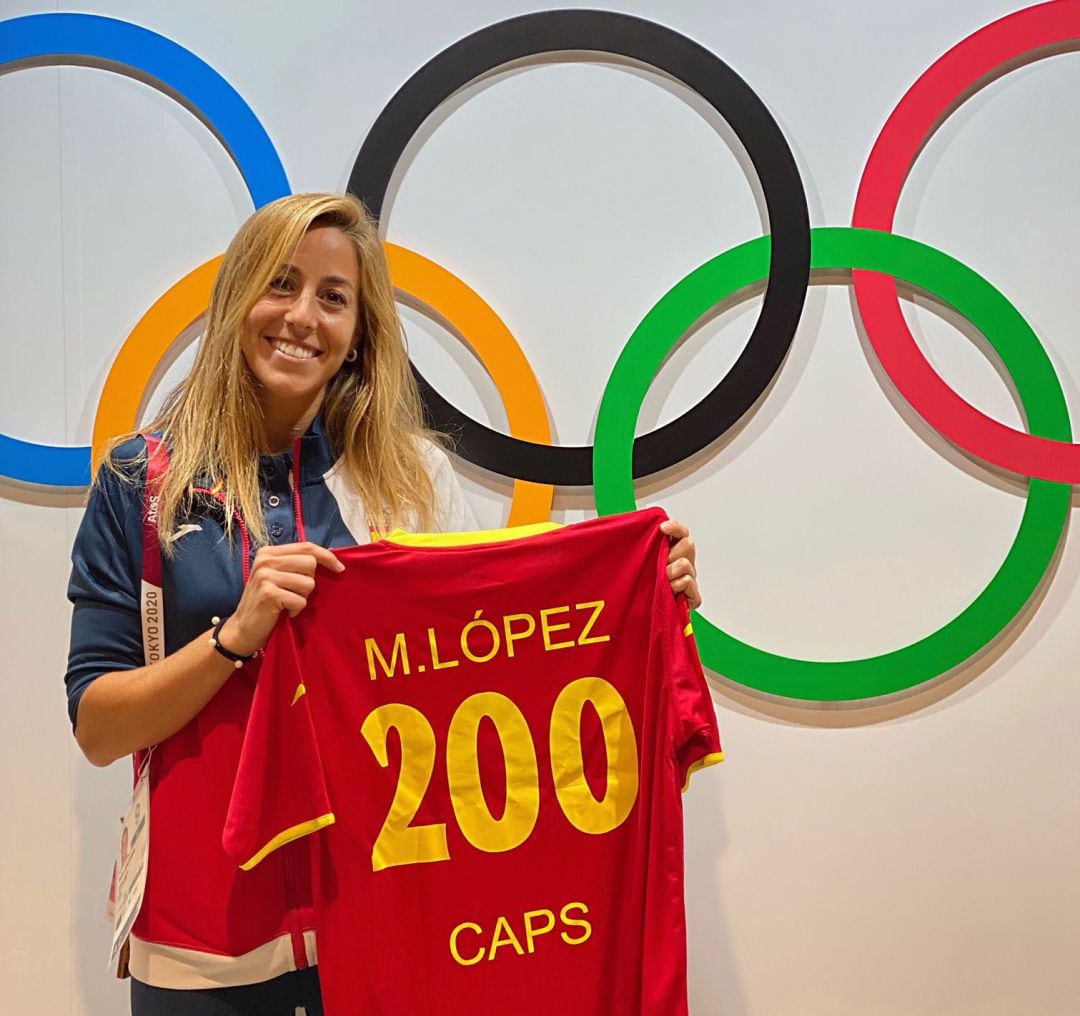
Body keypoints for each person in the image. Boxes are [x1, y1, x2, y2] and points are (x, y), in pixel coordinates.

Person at [65, 191, 702, 1015]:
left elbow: (497, 659)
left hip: (388, 928)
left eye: (334, 298)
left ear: (359, 332)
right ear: (237, 299)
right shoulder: (140, 482)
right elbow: (97, 726)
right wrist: (234, 638)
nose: (302, 316)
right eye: (281, 284)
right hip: (202, 943)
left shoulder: (409, 477)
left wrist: (644, 588)